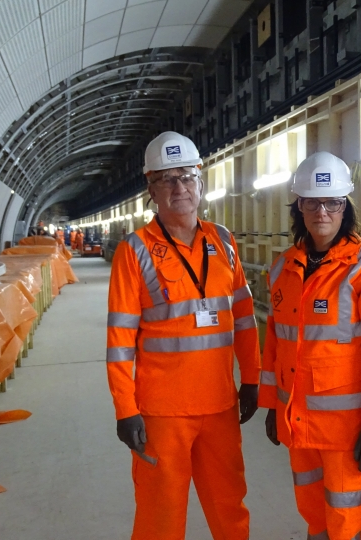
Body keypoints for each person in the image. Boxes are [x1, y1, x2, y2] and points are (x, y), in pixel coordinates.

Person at [106, 131, 260, 540]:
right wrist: (125, 408)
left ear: (201, 182)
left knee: (230, 508)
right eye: (167, 179)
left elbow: (244, 318)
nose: (180, 188)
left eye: (187, 177)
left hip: (219, 406)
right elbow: (120, 339)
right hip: (161, 413)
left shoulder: (223, 242)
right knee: (161, 516)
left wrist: (253, 378)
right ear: (151, 190)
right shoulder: (134, 250)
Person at [258, 152, 361, 540]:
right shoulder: (283, 267)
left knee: (346, 523)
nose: (323, 211)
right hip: (297, 422)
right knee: (313, 515)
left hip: (346, 432)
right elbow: (275, 344)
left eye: (333, 202)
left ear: (345, 207)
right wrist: (272, 405)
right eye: (313, 202)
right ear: (299, 207)